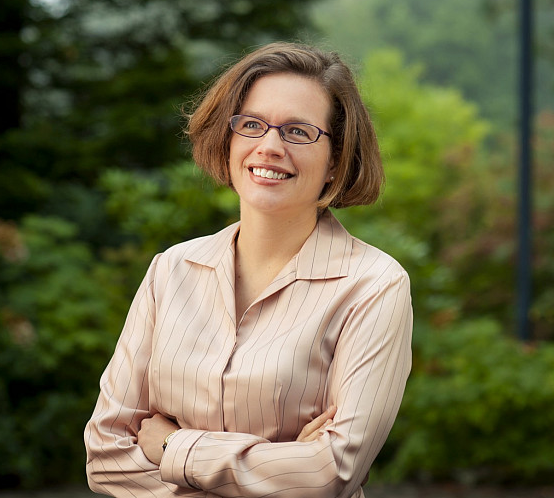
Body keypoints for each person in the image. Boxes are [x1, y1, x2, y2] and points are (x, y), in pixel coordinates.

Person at [84, 41, 413, 498]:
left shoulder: (375, 286)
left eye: (298, 132)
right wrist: (275, 472)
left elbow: (330, 473)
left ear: (336, 160)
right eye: (253, 125)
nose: (270, 146)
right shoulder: (171, 269)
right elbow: (105, 457)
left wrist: (171, 446)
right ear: (229, 137)